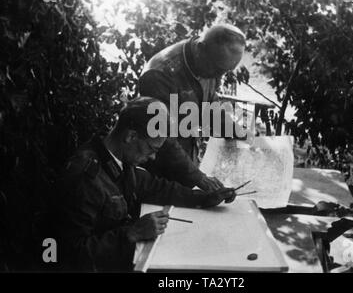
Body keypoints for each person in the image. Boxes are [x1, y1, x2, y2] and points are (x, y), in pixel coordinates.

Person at [54, 97, 236, 272]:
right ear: (131, 136)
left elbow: (158, 188)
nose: (153, 157)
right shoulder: (85, 178)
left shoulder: (117, 159)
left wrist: (205, 198)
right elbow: (67, 254)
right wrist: (131, 234)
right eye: (151, 148)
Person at [139, 23, 247, 192]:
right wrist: (198, 177)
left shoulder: (209, 60)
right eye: (218, 70)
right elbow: (162, 138)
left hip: (186, 160)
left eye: (225, 72)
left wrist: (237, 132)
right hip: (158, 171)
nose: (219, 79)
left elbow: (210, 104)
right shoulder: (159, 75)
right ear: (201, 49)